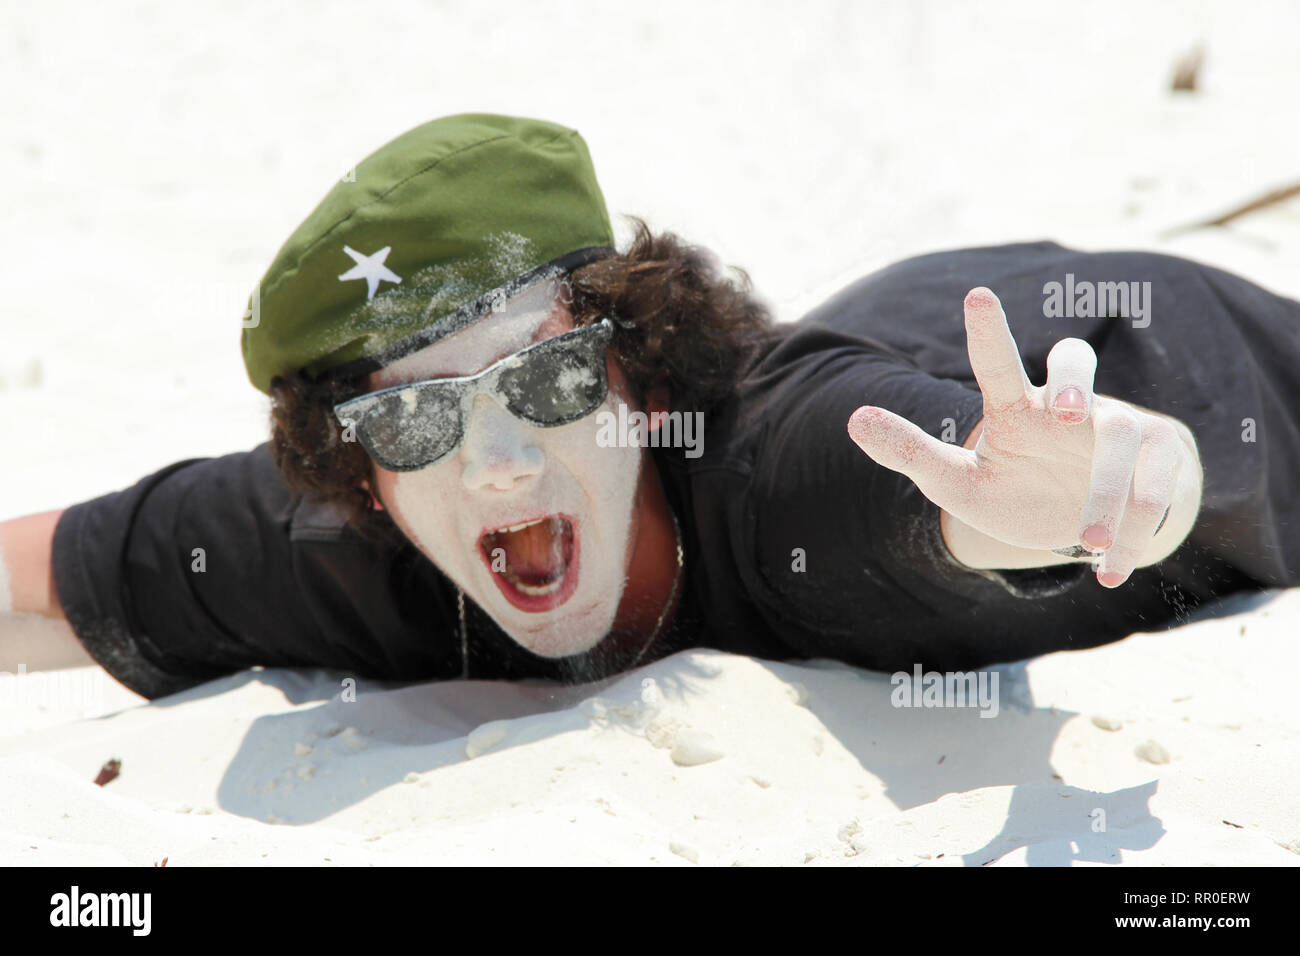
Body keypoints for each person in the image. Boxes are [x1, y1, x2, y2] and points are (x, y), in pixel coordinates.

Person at [2, 113, 1297, 701]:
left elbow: (941, 479)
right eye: (415, 422)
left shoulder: (797, 465)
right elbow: (40, 574)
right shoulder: (333, 552)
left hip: (1173, 351)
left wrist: (1096, 483)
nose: (499, 467)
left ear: (636, 367)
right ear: (356, 474)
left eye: (549, 380)